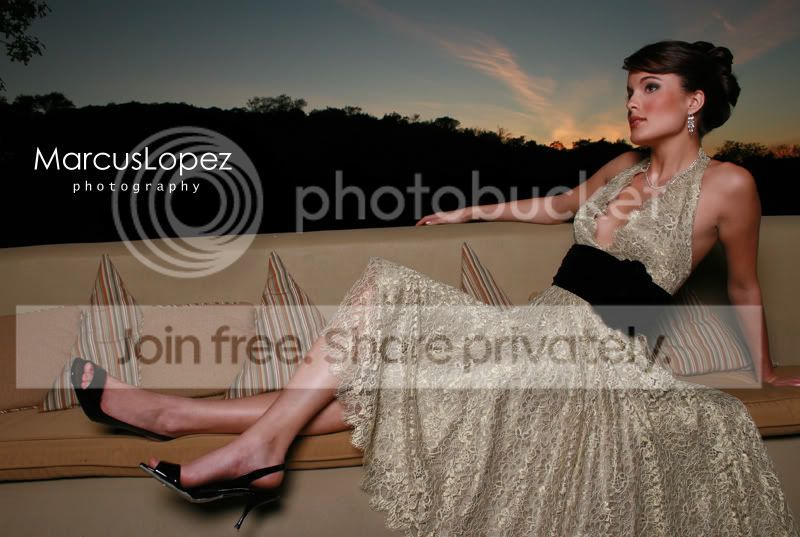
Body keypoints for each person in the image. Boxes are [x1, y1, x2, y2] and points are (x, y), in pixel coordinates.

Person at [72, 40, 800, 535]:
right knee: (397, 373)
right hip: (538, 325)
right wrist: (467, 210)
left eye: (650, 88)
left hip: (600, 355)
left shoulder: (730, 184)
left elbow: (742, 282)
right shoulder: (621, 167)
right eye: (630, 90)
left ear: (695, 99)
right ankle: (201, 425)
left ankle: (202, 426)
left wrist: (764, 369)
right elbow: (556, 206)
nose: (633, 102)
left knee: (385, 299)